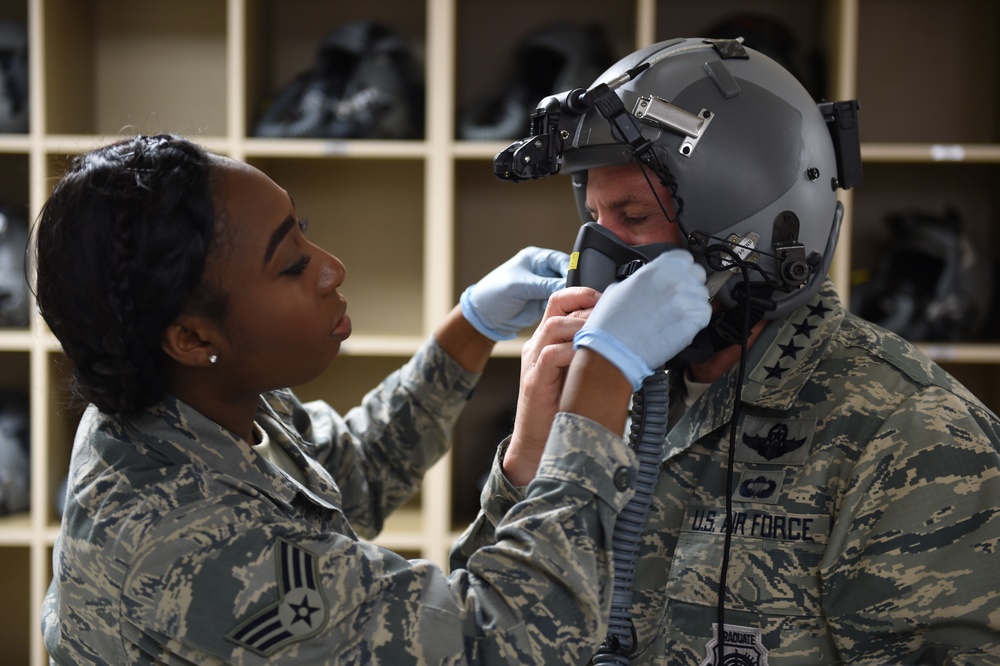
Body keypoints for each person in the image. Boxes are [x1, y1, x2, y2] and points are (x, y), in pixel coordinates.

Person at [33, 133, 712, 664]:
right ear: (190, 336)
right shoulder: (183, 542)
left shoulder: (197, 402)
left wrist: (469, 332)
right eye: (291, 263)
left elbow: (350, 478)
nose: (331, 267)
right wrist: (600, 384)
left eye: (303, 229)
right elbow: (499, 646)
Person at [456, 37, 1000, 664]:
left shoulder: (910, 433)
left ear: (751, 231)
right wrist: (530, 456)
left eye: (632, 219)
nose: (598, 259)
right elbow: (476, 641)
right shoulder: (606, 394)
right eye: (595, 218)